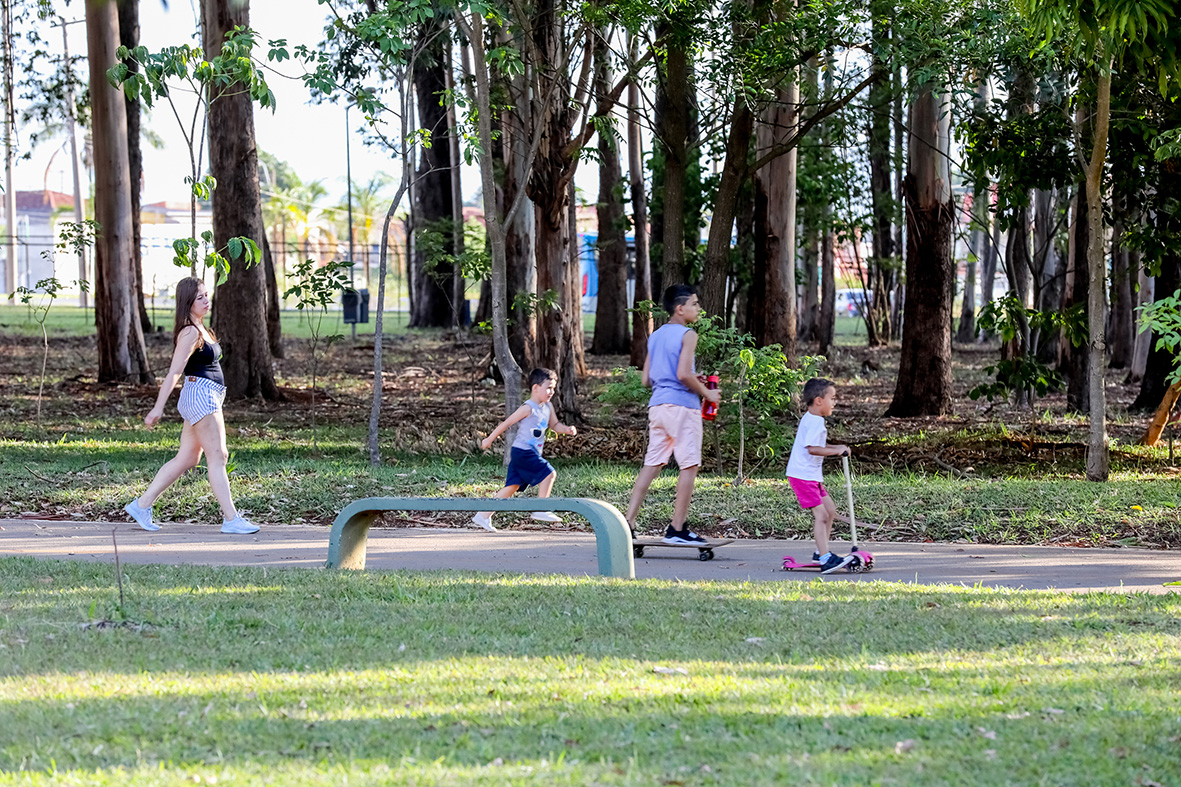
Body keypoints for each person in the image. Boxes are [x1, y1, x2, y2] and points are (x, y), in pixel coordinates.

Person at [123, 277, 259, 535]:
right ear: (187, 302)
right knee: (218, 455)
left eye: (207, 295)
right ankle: (231, 519)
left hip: (208, 395)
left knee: (187, 457)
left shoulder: (201, 328)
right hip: (201, 395)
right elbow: (175, 371)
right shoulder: (189, 332)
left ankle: (141, 505)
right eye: (200, 297)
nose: (207, 301)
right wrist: (157, 408)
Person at [624, 284, 721, 544]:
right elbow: (682, 375)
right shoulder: (688, 334)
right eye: (695, 304)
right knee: (690, 465)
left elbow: (647, 378)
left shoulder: (655, 336)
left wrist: (691, 378)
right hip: (682, 407)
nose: (698, 308)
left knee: (652, 464)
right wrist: (707, 392)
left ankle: (628, 522)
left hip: (658, 407)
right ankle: (677, 528)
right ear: (680, 309)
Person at [474, 367, 577, 530]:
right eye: (548, 387)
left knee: (512, 487)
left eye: (554, 388)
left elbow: (555, 425)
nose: (552, 391)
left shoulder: (548, 407)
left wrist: (566, 429)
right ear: (535, 388)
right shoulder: (528, 408)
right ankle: (541, 508)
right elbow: (507, 423)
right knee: (550, 473)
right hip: (523, 451)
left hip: (527, 452)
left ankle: (483, 515)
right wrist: (489, 439)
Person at [786, 377, 855, 574]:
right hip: (802, 476)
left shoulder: (814, 419)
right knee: (822, 515)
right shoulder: (815, 422)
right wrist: (836, 451)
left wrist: (838, 448)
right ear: (819, 400)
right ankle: (825, 558)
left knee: (830, 510)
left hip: (811, 476)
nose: (834, 402)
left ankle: (820, 551)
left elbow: (818, 447)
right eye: (831, 398)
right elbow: (813, 449)